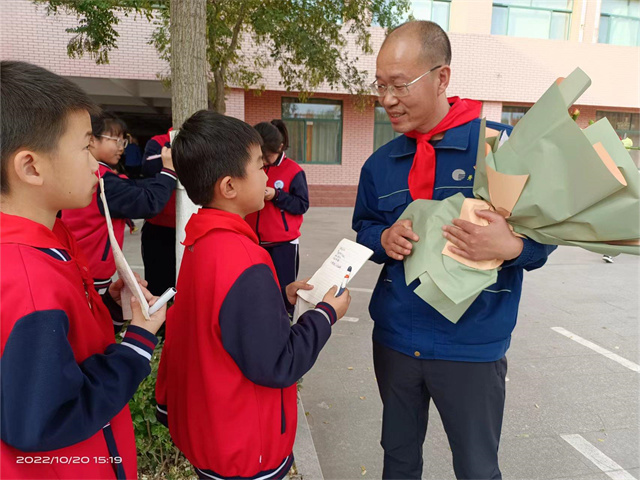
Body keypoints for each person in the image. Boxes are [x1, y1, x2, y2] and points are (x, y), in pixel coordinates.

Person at [352, 22, 556, 480]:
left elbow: (546, 237)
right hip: (396, 342)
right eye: (381, 86)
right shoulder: (379, 164)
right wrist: (382, 240)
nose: (388, 99)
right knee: (398, 460)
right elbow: (363, 228)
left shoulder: (500, 150)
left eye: (400, 85)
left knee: (477, 468)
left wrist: (512, 246)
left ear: (441, 77)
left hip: (472, 347)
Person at [154, 111, 351, 480]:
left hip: (211, 429)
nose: (267, 177)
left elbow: (221, 319)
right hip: (244, 445)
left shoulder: (200, 241)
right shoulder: (244, 259)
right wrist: (326, 314)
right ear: (229, 186)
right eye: (260, 166)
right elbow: (278, 363)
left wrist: (280, 298)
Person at [0, 60, 167, 479]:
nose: (97, 165)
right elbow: (46, 418)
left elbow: (58, 348)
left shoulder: (46, 241)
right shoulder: (28, 279)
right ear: (31, 167)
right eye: (84, 147)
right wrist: (137, 345)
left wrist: (106, 306)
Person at [61, 113, 177, 294]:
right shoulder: (102, 180)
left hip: (76, 264)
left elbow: (131, 186)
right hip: (90, 273)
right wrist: (169, 172)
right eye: (116, 141)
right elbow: (148, 203)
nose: (121, 148)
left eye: (123, 142)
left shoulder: (80, 172)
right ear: (92, 140)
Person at [245, 119, 309, 315]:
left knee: (285, 292)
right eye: (260, 156)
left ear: (280, 148)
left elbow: (302, 205)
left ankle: (284, 324)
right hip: (253, 241)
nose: (264, 161)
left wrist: (277, 195)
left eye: (267, 156)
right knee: (256, 290)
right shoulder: (250, 168)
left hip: (284, 244)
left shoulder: (294, 171)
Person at [140, 128, 177, 296]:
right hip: (159, 227)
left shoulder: (206, 140)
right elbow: (148, 167)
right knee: (157, 287)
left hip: (194, 228)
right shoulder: (159, 141)